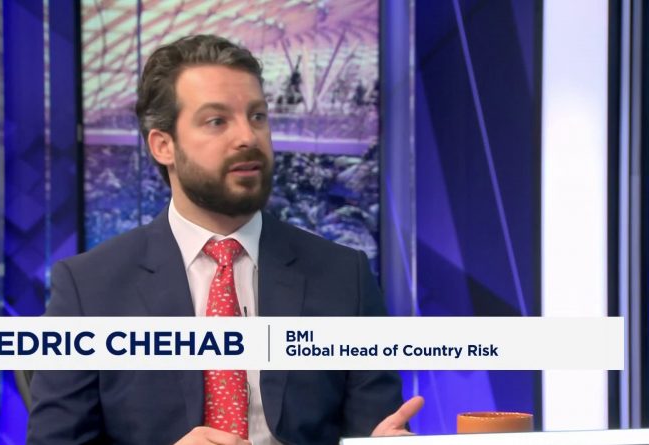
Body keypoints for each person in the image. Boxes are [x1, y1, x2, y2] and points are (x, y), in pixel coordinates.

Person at [27, 34, 423, 445]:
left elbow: (375, 427)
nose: (248, 137)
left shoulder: (344, 277)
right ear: (163, 146)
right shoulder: (89, 289)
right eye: (217, 121)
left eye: (257, 116)